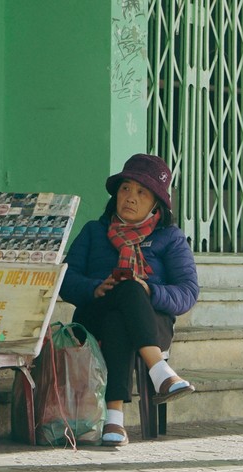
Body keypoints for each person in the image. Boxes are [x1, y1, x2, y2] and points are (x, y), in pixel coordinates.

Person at [59, 153, 199, 447]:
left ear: (156, 203)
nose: (130, 198)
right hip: (93, 315)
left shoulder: (170, 238)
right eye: (125, 189)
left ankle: (115, 419)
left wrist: (151, 291)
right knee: (122, 296)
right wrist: (96, 287)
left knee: (128, 301)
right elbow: (66, 279)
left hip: (150, 319)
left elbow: (187, 292)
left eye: (141, 192)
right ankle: (160, 371)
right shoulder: (94, 232)